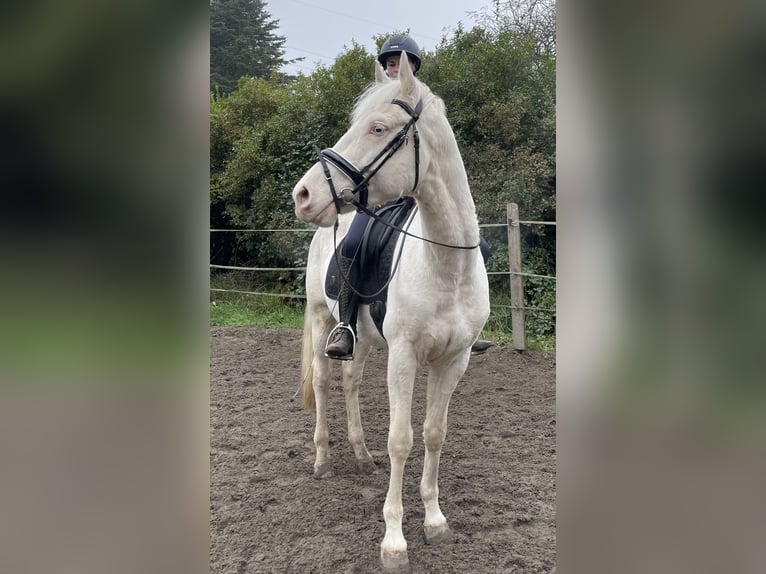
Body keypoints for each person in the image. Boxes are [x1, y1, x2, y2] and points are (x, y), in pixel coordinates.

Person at [324, 35, 494, 360]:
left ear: (411, 67)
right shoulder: (377, 105)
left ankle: (468, 326)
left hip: (415, 197)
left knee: (479, 247)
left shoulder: (426, 104)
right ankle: (346, 325)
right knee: (352, 242)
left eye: (399, 63)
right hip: (380, 196)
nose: (393, 69)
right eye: (388, 63)